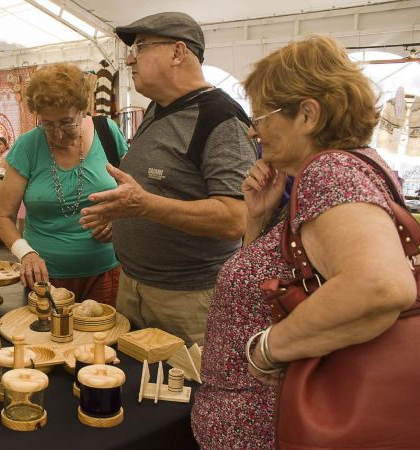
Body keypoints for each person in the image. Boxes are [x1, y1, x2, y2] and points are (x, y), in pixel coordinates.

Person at [191, 35, 418, 449]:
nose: (253, 129)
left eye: (261, 116)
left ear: (308, 115)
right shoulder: (356, 165)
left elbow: (382, 286)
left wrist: (268, 349)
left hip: (271, 426)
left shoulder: (328, 170)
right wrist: (258, 218)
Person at [79, 12, 256, 345]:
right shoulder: (157, 109)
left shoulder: (220, 119)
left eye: (142, 47)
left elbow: (236, 219)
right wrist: (123, 221)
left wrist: (143, 206)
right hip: (133, 287)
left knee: (183, 394)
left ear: (178, 53)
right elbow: (165, 189)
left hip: (188, 302)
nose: (130, 58)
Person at [0, 63, 128, 305]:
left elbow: (134, 194)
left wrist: (119, 219)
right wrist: (26, 254)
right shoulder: (27, 146)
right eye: (47, 124)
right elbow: (2, 217)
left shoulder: (108, 133)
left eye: (67, 123)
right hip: (45, 279)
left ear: (82, 109)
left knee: (103, 340)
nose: (57, 134)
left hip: (105, 274)